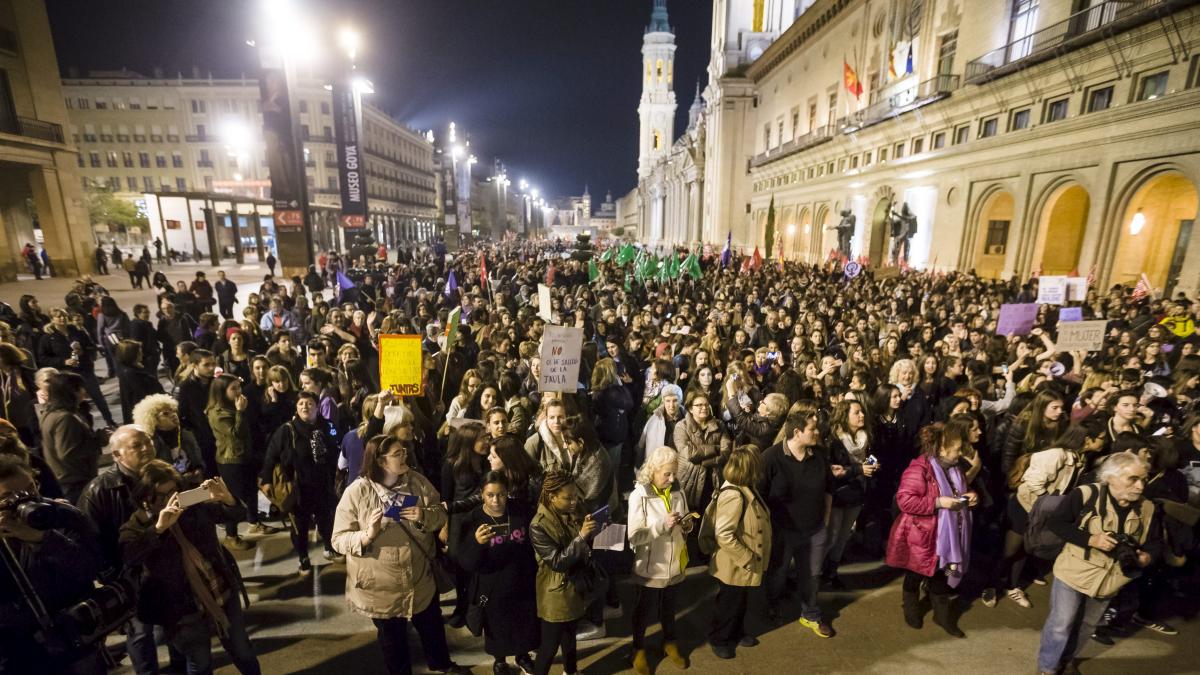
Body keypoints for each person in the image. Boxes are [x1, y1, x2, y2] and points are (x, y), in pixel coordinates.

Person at [331, 435, 468, 675]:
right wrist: (367, 535)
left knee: (432, 626)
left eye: (403, 451)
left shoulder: (417, 482)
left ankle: (442, 665)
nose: (405, 456)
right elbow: (338, 539)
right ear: (381, 461)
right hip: (380, 587)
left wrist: (424, 515)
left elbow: (440, 514)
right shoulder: (357, 491)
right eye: (397, 454)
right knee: (393, 640)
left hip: (420, 580)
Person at [119, 462, 261, 675]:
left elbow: (234, 514)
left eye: (174, 492)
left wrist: (227, 499)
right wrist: (159, 529)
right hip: (182, 609)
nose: (170, 500)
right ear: (145, 496)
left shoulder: (192, 507)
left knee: (242, 650)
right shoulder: (137, 525)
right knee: (199, 662)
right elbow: (130, 554)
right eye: (161, 495)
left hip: (221, 591)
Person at [1036, 452, 1161, 675]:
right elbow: (1056, 523)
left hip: (1111, 580)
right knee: (1061, 624)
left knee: (1087, 626)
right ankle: (1047, 667)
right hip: (1073, 573)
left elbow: (1155, 543)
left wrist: (1146, 557)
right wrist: (1091, 539)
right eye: (1133, 479)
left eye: (1144, 479)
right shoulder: (1085, 495)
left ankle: (1067, 661)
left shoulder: (1148, 508)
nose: (1140, 486)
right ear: (1110, 477)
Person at [0, 455, 107, 674]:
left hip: (75, 642)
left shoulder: (64, 516)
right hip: (18, 653)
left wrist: (42, 539)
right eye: (9, 497)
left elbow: (90, 566)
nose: (25, 501)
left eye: (31, 489)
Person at [76, 425, 164, 674]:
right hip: (130, 574)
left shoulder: (160, 474)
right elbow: (88, 540)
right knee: (140, 632)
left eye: (148, 441)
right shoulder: (100, 490)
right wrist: (113, 576)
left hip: (164, 564)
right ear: (116, 455)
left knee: (172, 620)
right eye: (137, 445)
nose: (147, 448)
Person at [886, 421, 975, 638]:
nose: (960, 454)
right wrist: (938, 502)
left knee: (939, 576)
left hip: (946, 535)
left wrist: (970, 496)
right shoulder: (919, 468)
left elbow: (958, 490)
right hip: (922, 536)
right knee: (915, 574)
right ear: (942, 449)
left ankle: (942, 616)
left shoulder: (955, 468)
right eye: (957, 449)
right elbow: (905, 501)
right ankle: (910, 607)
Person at [456, 471, 539, 675]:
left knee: (524, 623)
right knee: (496, 627)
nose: (496, 500)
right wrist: (477, 543)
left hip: (522, 580)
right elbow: (465, 562)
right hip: (491, 586)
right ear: (482, 495)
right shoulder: (473, 519)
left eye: (501, 494)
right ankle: (500, 661)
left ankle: (522, 655)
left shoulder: (520, 511)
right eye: (490, 495)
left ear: (507, 493)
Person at [760, 409, 834, 635]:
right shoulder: (771, 457)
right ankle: (772, 604)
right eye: (812, 429)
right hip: (782, 531)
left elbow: (829, 488)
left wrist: (826, 519)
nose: (817, 432)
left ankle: (810, 613)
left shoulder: (819, 454)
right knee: (778, 574)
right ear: (797, 432)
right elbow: (759, 496)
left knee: (811, 575)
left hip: (814, 529)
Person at [627, 446, 693, 675]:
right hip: (650, 567)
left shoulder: (678, 491)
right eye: (667, 473)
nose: (672, 478)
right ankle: (638, 649)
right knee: (643, 610)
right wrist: (661, 526)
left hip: (675, 563)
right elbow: (634, 536)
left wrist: (687, 525)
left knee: (670, 606)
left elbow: (684, 519)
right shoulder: (639, 496)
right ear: (653, 471)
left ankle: (669, 642)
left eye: (674, 473)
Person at [261, 391, 341, 573]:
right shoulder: (287, 430)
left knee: (327, 520)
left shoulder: (327, 426)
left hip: (323, 484)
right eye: (301, 403)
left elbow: (337, 447)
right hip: (299, 488)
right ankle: (303, 556)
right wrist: (266, 480)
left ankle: (329, 547)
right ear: (296, 408)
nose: (305, 406)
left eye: (310, 403)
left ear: (317, 406)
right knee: (300, 525)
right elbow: (271, 456)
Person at [530, 470, 600, 675]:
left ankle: (571, 671)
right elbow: (557, 562)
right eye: (568, 498)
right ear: (552, 497)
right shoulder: (538, 525)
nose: (573, 501)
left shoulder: (571, 512)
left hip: (574, 587)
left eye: (575, 496)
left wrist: (594, 532)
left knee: (570, 636)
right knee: (549, 647)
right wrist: (581, 536)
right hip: (555, 593)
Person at [708, 445, 772, 660]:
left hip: (744, 563)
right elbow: (724, 534)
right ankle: (720, 638)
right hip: (735, 562)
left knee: (740, 601)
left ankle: (735, 632)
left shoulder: (747, 486)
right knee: (729, 603)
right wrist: (746, 557)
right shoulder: (734, 495)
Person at [206, 373, 258, 551]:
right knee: (234, 499)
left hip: (245, 456)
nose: (238, 391)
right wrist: (240, 412)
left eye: (239, 387)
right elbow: (236, 434)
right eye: (233, 388)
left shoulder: (233, 406)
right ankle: (231, 535)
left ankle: (254, 521)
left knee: (251, 491)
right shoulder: (217, 413)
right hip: (231, 461)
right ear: (222, 391)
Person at [40, 372, 107, 503]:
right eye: (81, 388)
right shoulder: (64, 418)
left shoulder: (53, 413)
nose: (84, 391)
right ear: (72, 391)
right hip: (75, 482)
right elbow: (68, 452)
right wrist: (99, 440)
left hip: (72, 480)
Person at [113, 339, 164, 425]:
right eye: (139, 352)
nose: (142, 354)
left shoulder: (131, 369)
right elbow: (144, 394)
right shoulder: (131, 373)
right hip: (145, 416)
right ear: (132, 355)